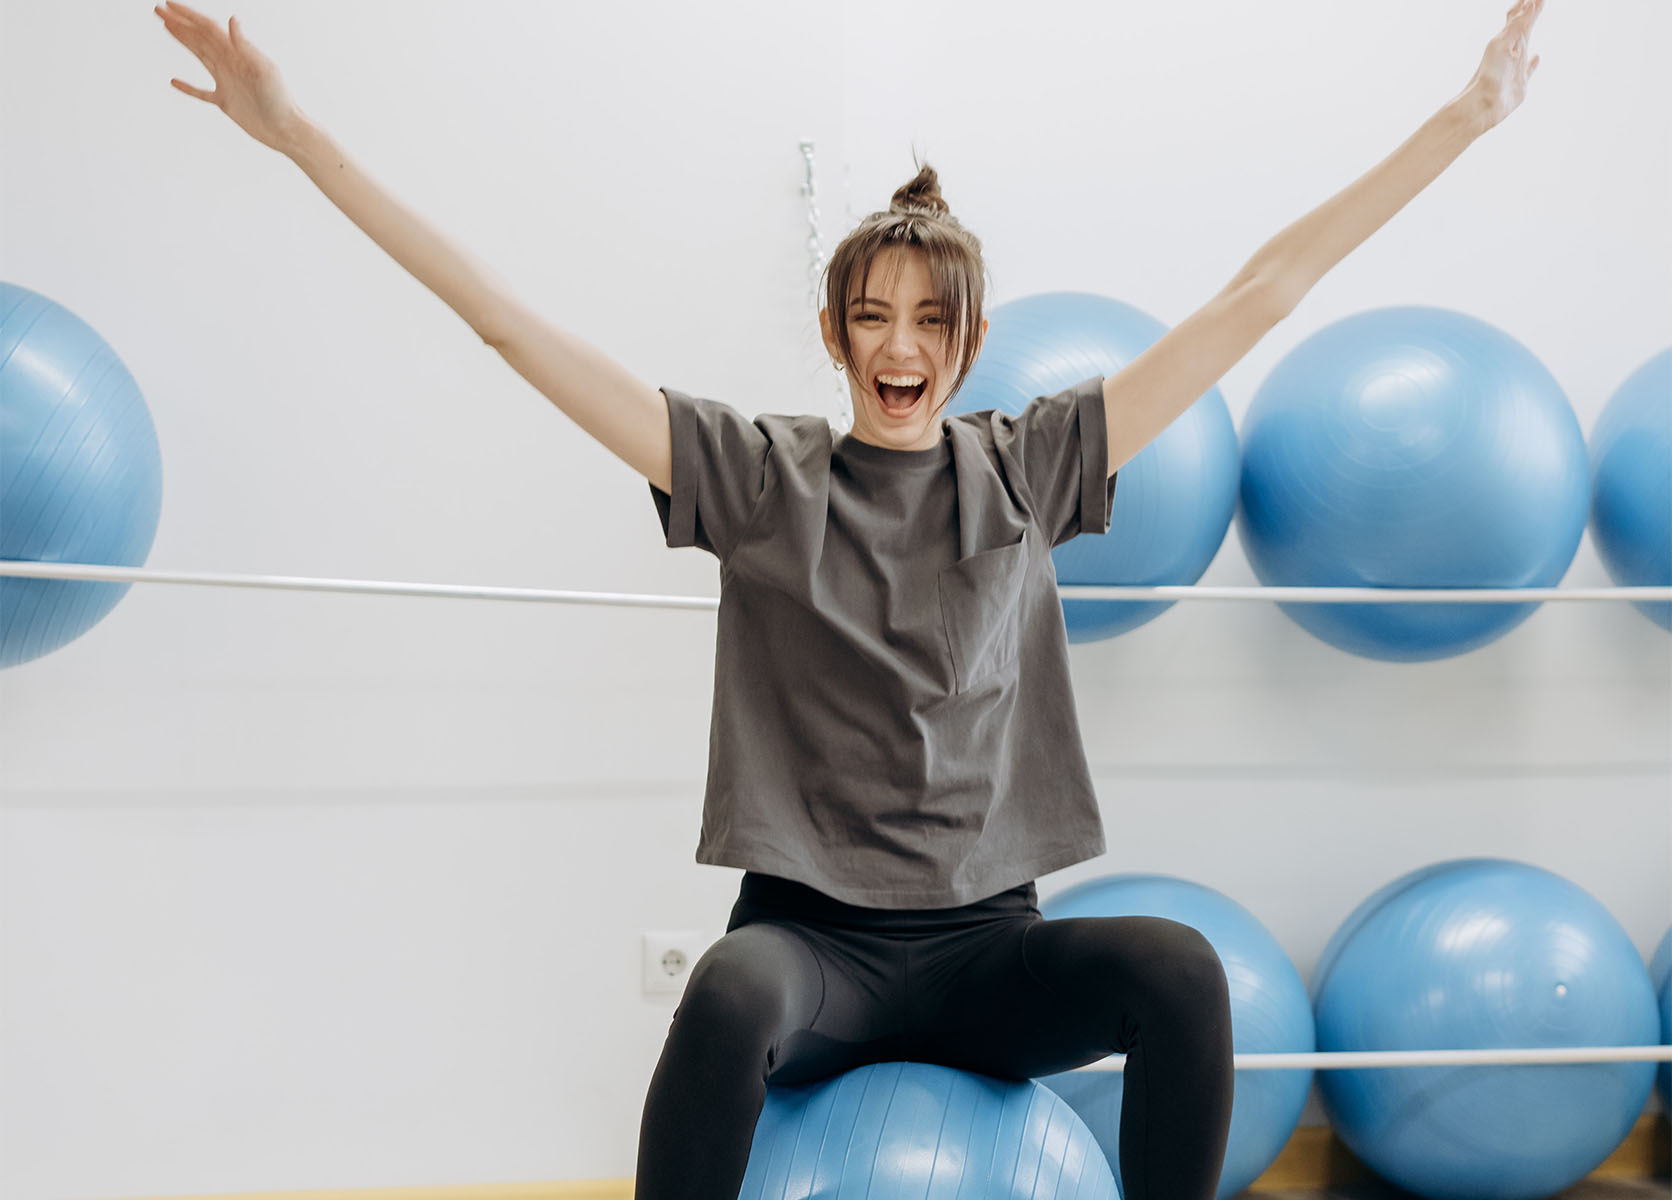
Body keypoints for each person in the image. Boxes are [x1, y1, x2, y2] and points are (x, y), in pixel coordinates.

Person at [154, 3, 1545, 1196]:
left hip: (989, 948)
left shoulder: (1032, 466)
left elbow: (1263, 293)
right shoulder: (759, 478)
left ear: (969, 343)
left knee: (1180, 970)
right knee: (724, 990)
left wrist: (1465, 117)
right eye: (873, 315)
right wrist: (302, 139)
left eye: (932, 320)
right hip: (811, 947)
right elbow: (508, 324)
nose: (902, 345)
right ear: (834, 335)